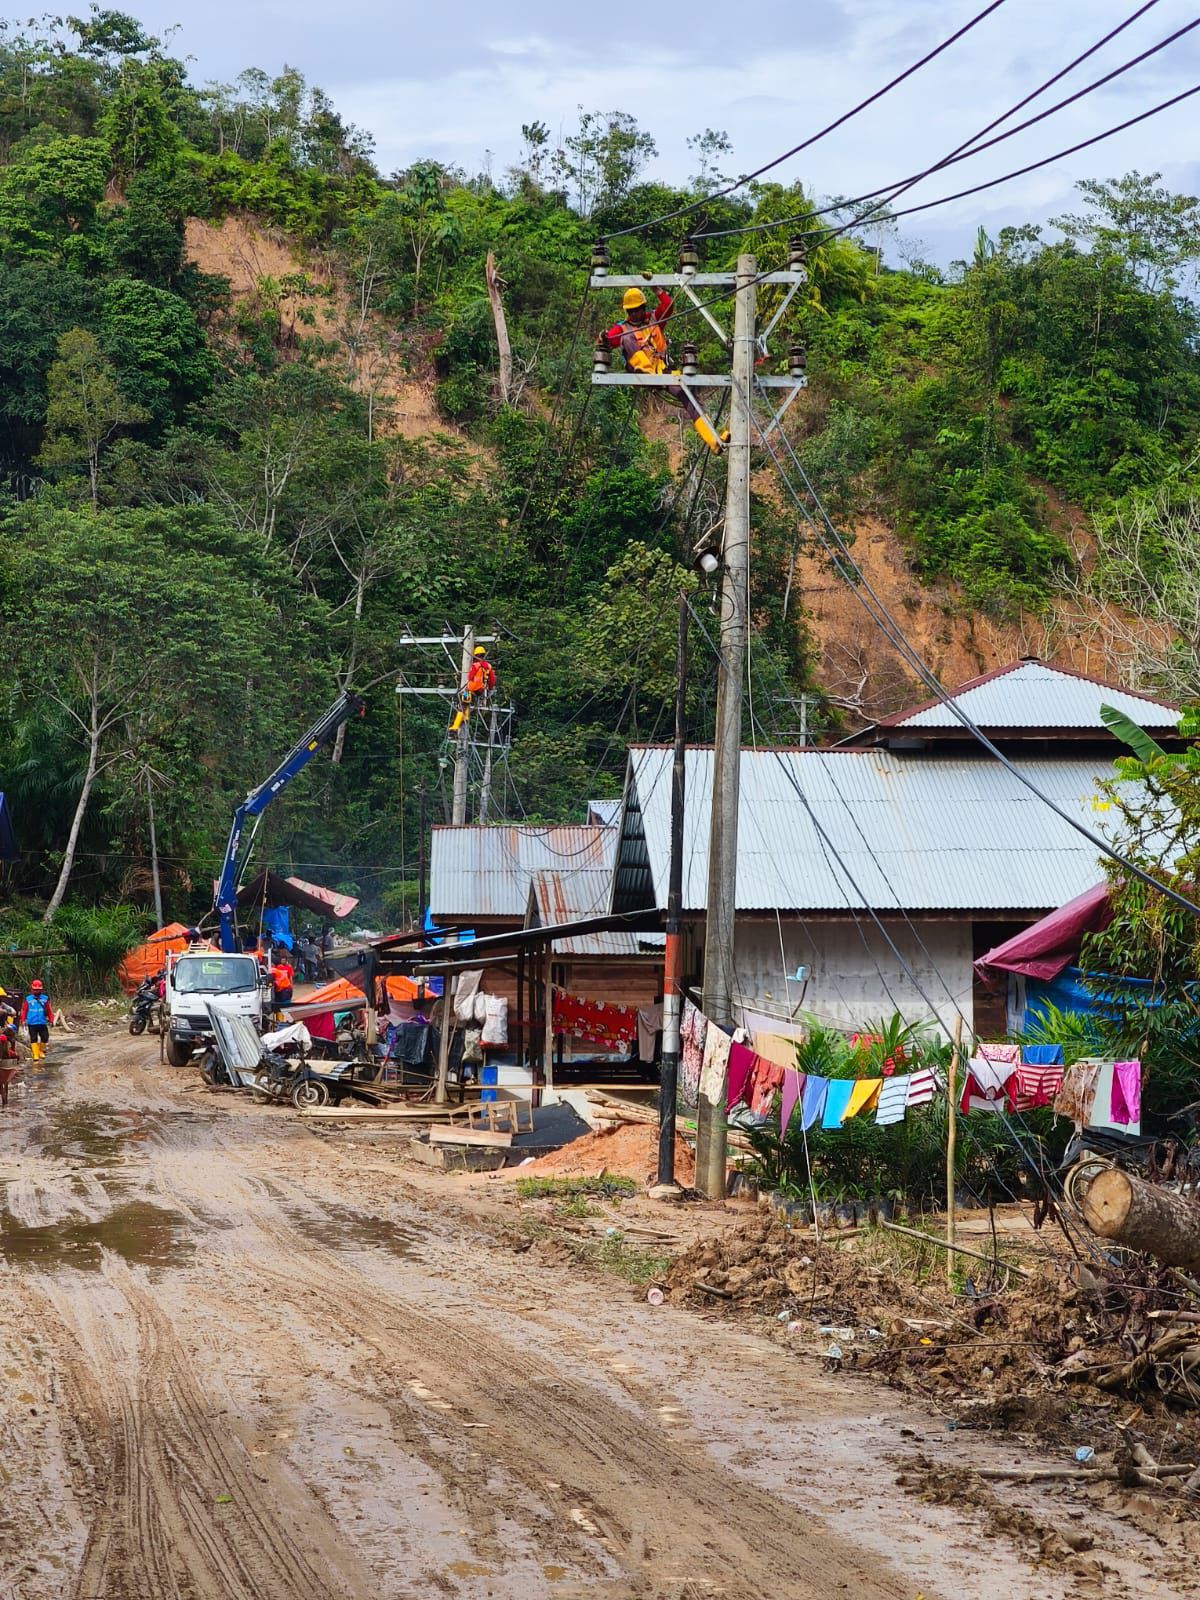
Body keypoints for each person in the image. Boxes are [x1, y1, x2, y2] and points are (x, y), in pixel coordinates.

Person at [600, 287, 727, 453]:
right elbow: (609, 339)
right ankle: (645, 371)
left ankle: (713, 440)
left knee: (687, 395)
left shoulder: (654, 319)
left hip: (662, 370)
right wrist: (604, 337)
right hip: (640, 372)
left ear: (643, 308)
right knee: (627, 338)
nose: (635, 314)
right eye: (631, 311)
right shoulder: (622, 329)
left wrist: (657, 289)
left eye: (637, 309)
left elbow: (668, 305)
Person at [450, 645, 497, 734]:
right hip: (480, 691)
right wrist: (490, 689)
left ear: (476, 655)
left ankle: (455, 726)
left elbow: (470, 676)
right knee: (467, 703)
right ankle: (466, 717)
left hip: (470, 689)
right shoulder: (489, 666)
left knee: (462, 705)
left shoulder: (475, 665)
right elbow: (492, 680)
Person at [20, 979, 53, 1062]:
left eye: (38, 990)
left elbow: (49, 1010)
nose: (37, 991)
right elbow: (24, 1010)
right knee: (33, 1038)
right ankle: (35, 1054)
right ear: (32, 989)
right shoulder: (28, 999)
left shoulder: (45, 999)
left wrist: (51, 1019)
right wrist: (23, 1020)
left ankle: (40, 1051)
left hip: (42, 1022)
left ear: (41, 990)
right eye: (35, 989)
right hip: (32, 1022)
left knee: (45, 1037)